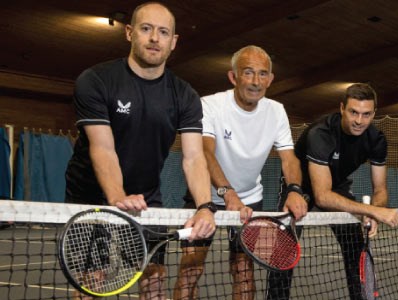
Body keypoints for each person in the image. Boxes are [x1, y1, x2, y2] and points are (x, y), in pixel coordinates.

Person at [63, 2, 216, 299]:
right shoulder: (96, 81)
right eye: (146, 29)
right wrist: (117, 196)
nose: (154, 38)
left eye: (163, 32)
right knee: (91, 281)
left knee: (154, 279)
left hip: (147, 196)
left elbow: (194, 158)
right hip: (91, 195)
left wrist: (204, 206)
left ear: (173, 42)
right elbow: (103, 149)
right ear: (130, 33)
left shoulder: (185, 95)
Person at [173, 45, 309, 300]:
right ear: (233, 77)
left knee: (243, 269)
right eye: (248, 73)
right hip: (205, 197)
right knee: (191, 267)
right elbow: (205, 153)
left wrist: (294, 190)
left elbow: (289, 158)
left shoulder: (276, 111)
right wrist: (226, 193)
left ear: (270, 79)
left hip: (250, 199)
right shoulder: (210, 105)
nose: (256, 82)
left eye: (262, 74)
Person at [267, 83, 398, 300]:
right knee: (284, 251)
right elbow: (322, 196)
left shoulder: (376, 140)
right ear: (342, 108)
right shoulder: (321, 133)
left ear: (374, 114)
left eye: (366, 114)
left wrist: (375, 211)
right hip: (300, 187)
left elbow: (380, 189)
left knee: (355, 246)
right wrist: (370, 210)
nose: (359, 120)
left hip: (336, 185)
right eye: (353, 112)